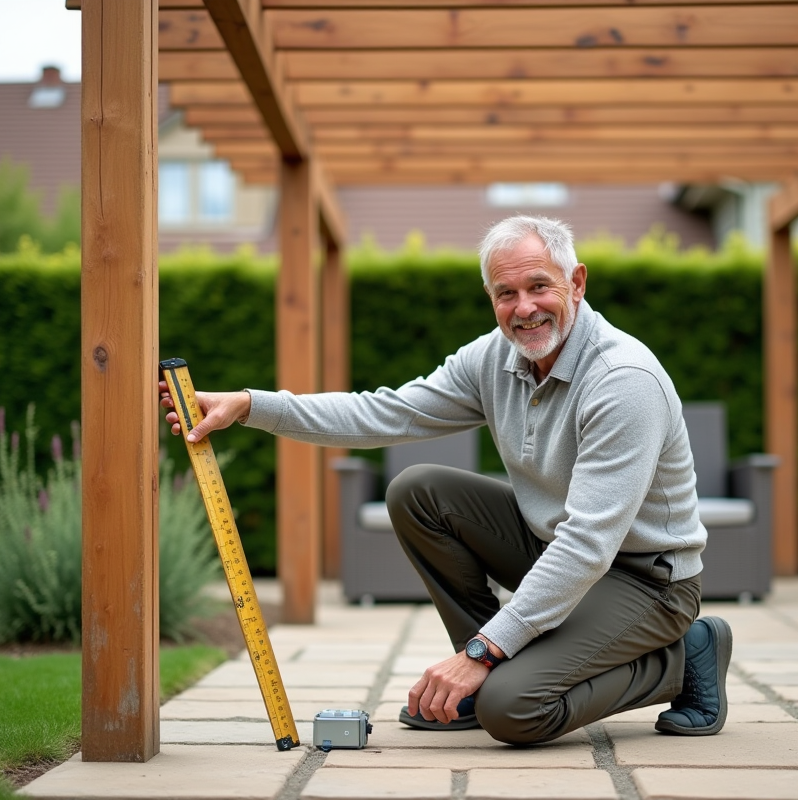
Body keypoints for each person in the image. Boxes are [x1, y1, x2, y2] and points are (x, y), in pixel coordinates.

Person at [160, 215, 731, 745]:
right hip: (555, 549)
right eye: (506, 294)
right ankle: (485, 673)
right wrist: (250, 405)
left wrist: (483, 652)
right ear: (491, 299)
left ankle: (683, 656)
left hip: (645, 579)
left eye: (539, 286)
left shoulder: (621, 380)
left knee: (512, 711)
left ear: (577, 282)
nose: (524, 308)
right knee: (420, 492)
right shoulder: (494, 360)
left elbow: (588, 545)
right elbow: (382, 412)